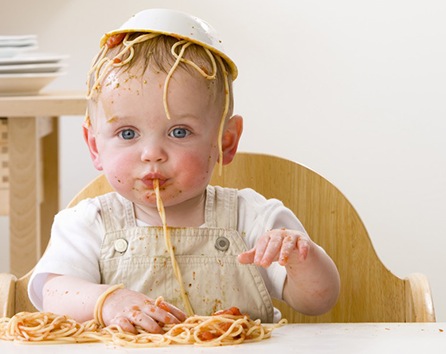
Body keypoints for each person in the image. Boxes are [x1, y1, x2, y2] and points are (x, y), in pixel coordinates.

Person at [28, 8, 340, 334]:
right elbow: (52, 292)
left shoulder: (253, 219)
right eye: (127, 133)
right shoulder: (89, 224)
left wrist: (301, 259)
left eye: (179, 132)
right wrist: (107, 302)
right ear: (95, 146)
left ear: (225, 142)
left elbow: (318, 301)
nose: (152, 154)